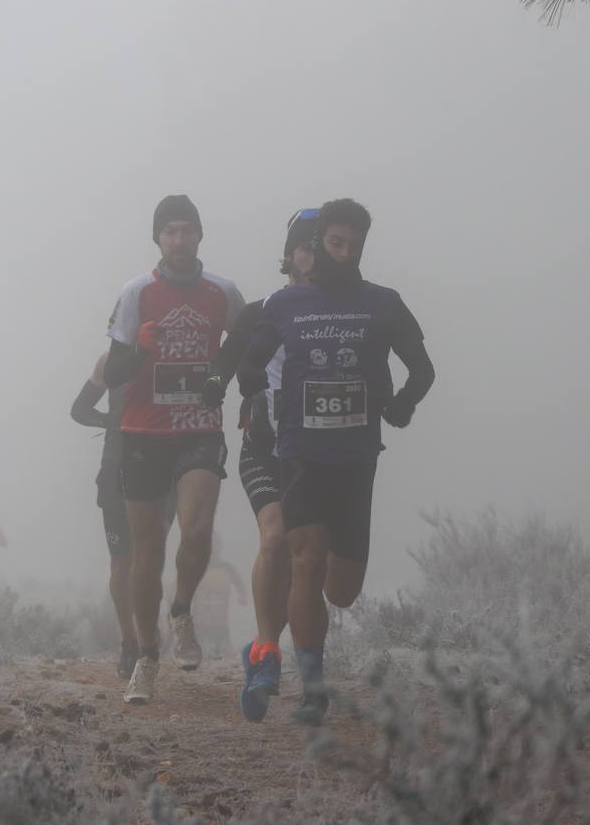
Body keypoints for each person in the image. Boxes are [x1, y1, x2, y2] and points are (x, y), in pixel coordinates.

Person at [238, 198, 435, 725]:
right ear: (320, 241)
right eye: (335, 243)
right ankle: (312, 688)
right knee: (303, 559)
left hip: (356, 458)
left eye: (354, 246)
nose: (345, 254)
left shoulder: (383, 303)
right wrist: (255, 397)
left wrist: (400, 406)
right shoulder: (284, 305)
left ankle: (309, 629)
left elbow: (423, 369)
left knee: (341, 590)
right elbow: (250, 361)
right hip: (300, 454)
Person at [103, 194, 245, 705]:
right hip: (143, 433)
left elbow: (244, 346)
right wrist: (140, 349)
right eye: (170, 231)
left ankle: (181, 609)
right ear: (158, 239)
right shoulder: (137, 292)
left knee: (198, 527)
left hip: (199, 429)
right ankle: (146, 657)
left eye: (187, 230)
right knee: (147, 554)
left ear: (200, 235)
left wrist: (219, 376)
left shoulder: (223, 292)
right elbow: (112, 372)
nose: (179, 240)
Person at [201, 207, 317, 721]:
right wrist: (212, 385)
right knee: (274, 538)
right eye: (304, 246)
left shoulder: (346, 316)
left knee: (303, 560)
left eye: (322, 246)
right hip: (263, 446)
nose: (313, 257)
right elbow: (228, 362)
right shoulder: (261, 310)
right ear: (289, 254)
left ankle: (261, 648)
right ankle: (268, 653)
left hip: (320, 455)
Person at [71, 351, 142, 679]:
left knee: (147, 557)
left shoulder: (175, 352)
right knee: (122, 561)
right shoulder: (110, 359)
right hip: (115, 469)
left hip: (159, 468)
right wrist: (111, 420)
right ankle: (130, 642)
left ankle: (147, 640)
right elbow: (79, 409)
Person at [191, 532, 248, 659]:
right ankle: (204, 652)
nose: (214, 548)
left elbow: (239, 582)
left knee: (222, 647)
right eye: (210, 544)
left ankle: (220, 651)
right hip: (201, 619)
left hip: (221, 619)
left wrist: (242, 595)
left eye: (217, 544)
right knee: (203, 646)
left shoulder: (226, 568)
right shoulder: (196, 567)